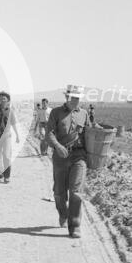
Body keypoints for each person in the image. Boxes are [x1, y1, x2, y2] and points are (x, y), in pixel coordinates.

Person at [46, 84, 89, 238]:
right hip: (60, 157)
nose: (76, 101)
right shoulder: (56, 113)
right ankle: (63, 214)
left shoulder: (84, 113)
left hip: (79, 157)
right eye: (73, 98)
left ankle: (75, 225)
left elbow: (90, 133)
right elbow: (49, 133)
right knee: (59, 192)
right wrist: (57, 146)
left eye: (78, 98)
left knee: (76, 192)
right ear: (66, 97)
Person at [0, 91, 21, 184]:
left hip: (7, 136)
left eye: (4, 98)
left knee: (6, 156)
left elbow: (14, 124)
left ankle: (7, 176)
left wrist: (17, 135)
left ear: (7, 100)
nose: (2, 100)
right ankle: (0, 174)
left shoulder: (10, 111)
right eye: (1, 98)